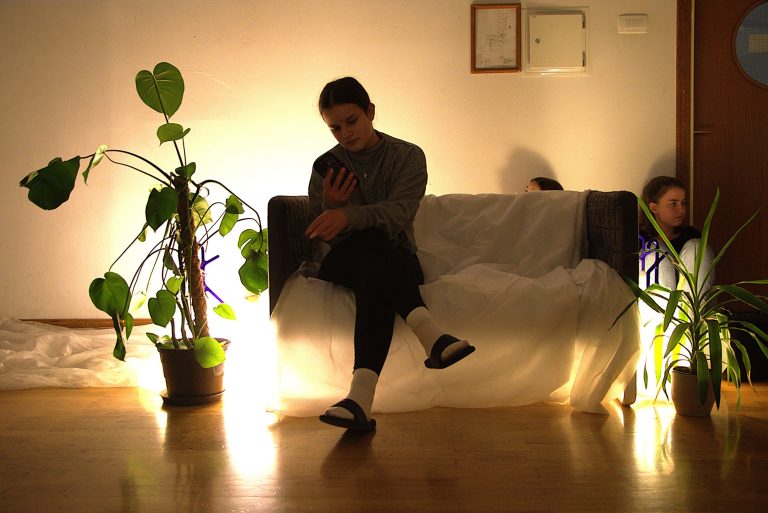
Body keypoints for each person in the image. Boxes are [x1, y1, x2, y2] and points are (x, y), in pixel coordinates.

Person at [305, 77, 475, 432]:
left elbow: (398, 214)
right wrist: (331, 205)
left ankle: (358, 401)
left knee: (376, 270)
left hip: (396, 258)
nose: (345, 134)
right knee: (370, 246)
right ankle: (432, 336)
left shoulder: (407, 156)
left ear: (370, 111)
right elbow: (323, 231)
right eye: (335, 128)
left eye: (351, 121)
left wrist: (348, 214)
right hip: (343, 259)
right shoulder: (326, 166)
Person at [638, 176, 713, 290]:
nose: (681, 209)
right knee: (654, 250)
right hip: (655, 297)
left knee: (696, 247)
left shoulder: (690, 235)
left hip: (691, 298)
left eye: (683, 203)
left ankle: (690, 303)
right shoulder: (639, 238)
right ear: (654, 208)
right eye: (673, 203)